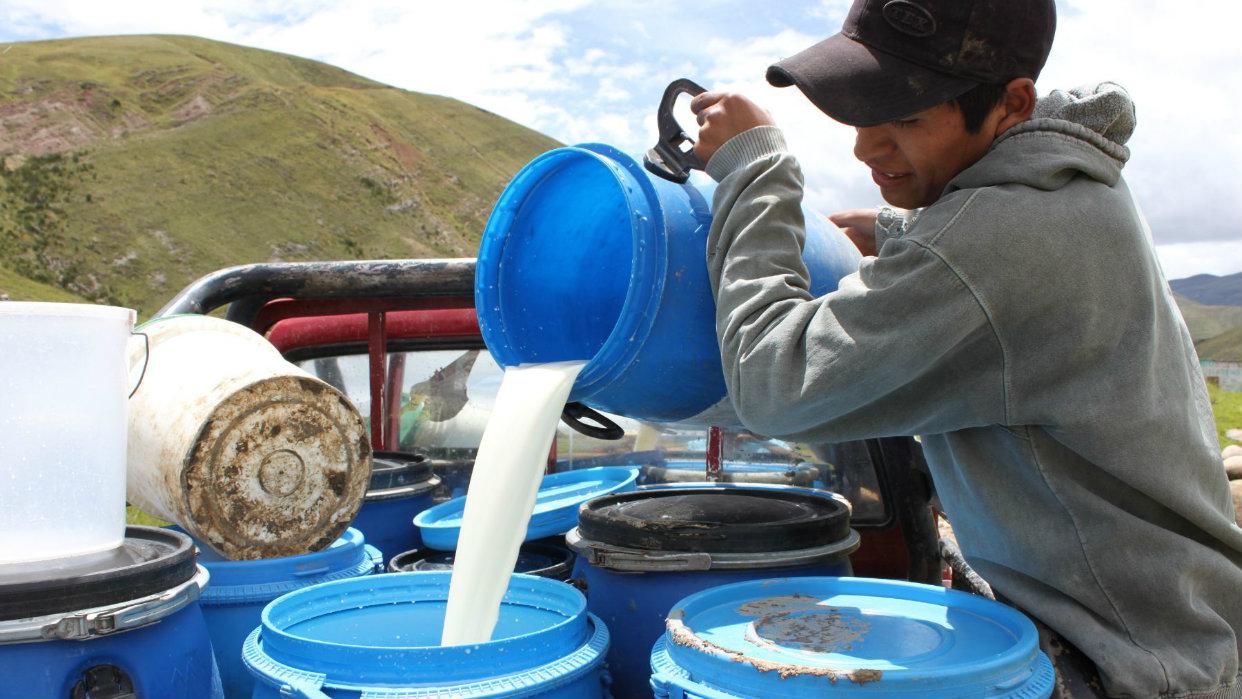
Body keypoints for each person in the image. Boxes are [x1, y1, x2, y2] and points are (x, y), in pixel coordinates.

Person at [687, 1, 1242, 697]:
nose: (866, 148)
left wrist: (753, 170)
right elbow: (984, 258)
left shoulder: (998, 241)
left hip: (1125, 663)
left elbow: (771, 386)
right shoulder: (1066, 183)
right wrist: (903, 234)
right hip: (1175, 625)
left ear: (1011, 104)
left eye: (908, 119)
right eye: (862, 111)